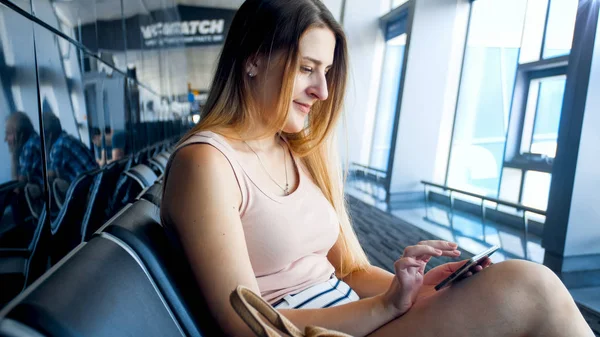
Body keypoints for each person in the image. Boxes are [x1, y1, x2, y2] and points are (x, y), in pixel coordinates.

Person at [161, 1, 594, 336]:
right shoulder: (207, 162)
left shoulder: (295, 149)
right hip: (315, 331)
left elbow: (348, 270)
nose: (323, 90)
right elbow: (245, 323)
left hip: (355, 314)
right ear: (252, 59)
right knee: (532, 289)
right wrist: (387, 306)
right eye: (307, 68)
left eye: (327, 71)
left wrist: (415, 288)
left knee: (522, 291)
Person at [43, 111, 98, 184]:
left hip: (88, 187)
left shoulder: (58, 146)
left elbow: (51, 175)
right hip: (96, 181)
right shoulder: (68, 138)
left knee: (55, 183)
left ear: (49, 135)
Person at [5, 111, 43, 187]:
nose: (5, 139)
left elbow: (17, 187)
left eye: (8, 134)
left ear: (21, 135)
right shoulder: (37, 140)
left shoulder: (29, 148)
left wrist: (14, 155)